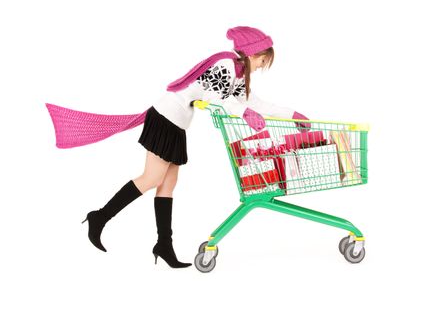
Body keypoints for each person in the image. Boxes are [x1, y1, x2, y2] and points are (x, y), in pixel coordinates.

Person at [46, 26, 310, 269]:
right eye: (264, 60)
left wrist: (292, 114)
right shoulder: (225, 64)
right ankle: (99, 217)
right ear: (254, 52)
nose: (263, 66)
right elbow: (216, 98)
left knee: (168, 184)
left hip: (178, 123)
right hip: (166, 118)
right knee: (152, 178)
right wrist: (244, 114)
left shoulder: (240, 72)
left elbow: (253, 102)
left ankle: (164, 245)